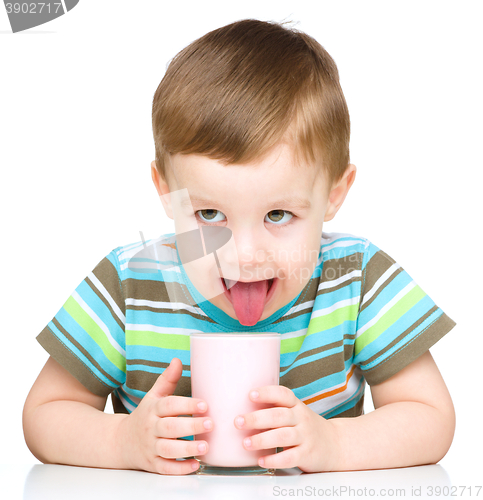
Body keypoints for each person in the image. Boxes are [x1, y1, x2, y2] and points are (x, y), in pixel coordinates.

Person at [23, 18, 456, 475]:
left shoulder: (354, 276)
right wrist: (121, 441)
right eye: (210, 216)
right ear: (166, 190)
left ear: (333, 194)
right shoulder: (129, 283)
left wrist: (334, 444)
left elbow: (430, 417)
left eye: (278, 215)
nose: (244, 255)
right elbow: (44, 414)